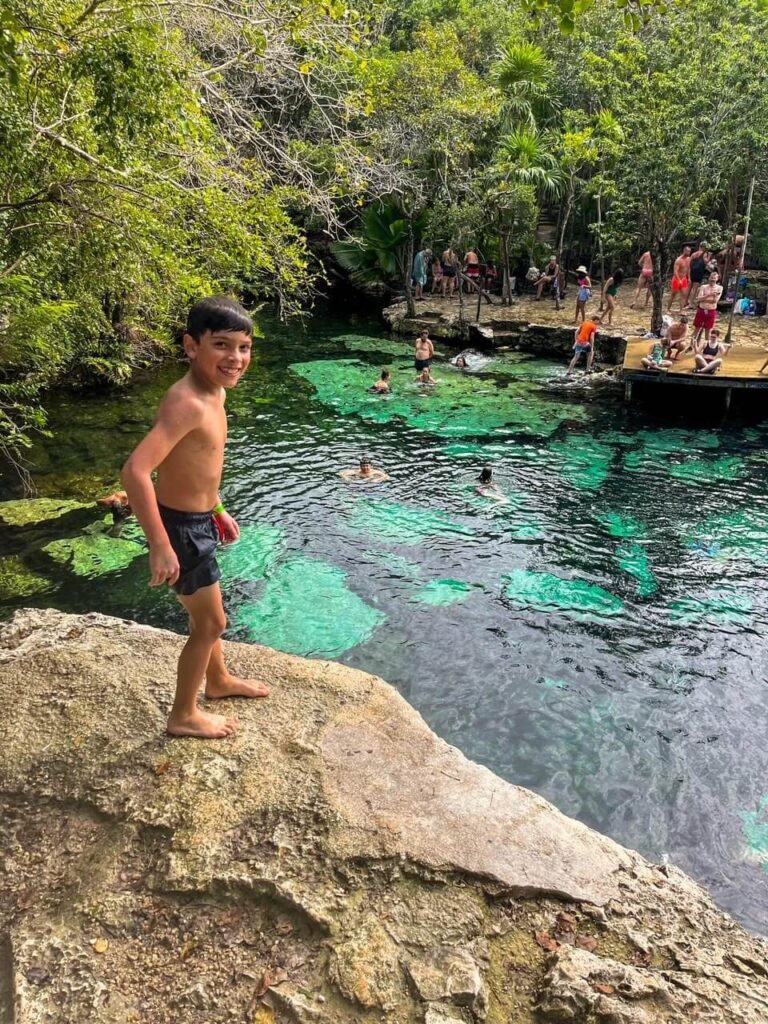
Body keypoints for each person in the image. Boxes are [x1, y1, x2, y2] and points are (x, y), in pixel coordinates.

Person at [121, 296, 269, 740]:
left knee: (209, 613)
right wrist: (160, 544)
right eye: (222, 345)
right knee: (212, 623)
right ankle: (183, 713)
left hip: (199, 520)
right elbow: (136, 471)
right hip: (180, 530)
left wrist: (217, 508)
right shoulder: (187, 402)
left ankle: (218, 681)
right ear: (191, 345)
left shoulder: (214, 392)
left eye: (244, 347)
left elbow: (195, 465)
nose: (236, 358)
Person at [692, 271, 723, 345]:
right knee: (697, 328)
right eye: (712, 278)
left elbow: (715, 301)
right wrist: (710, 295)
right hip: (702, 309)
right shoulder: (703, 287)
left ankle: (706, 345)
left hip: (711, 311)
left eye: (714, 278)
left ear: (717, 279)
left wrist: (707, 298)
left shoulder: (719, 288)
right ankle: (692, 344)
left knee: (708, 330)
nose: (713, 279)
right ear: (709, 278)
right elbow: (699, 299)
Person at [667, 245, 692, 312]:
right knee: (673, 295)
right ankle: (668, 309)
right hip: (676, 279)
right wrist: (679, 280)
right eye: (687, 251)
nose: (688, 252)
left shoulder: (689, 259)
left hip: (684, 279)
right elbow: (675, 271)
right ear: (684, 251)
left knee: (684, 295)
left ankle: (681, 310)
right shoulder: (678, 260)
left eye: (689, 251)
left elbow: (688, 269)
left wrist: (689, 277)